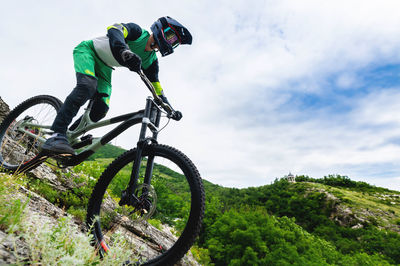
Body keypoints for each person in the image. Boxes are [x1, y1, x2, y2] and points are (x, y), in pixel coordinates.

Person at [41, 16, 192, 155]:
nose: (171, 42)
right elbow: (115, 29)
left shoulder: (151, 61)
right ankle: (57, 134)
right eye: (170, 37)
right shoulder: (138, 32)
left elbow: (156, 88)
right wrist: (124, 51)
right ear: (161, 29)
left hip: (105, 68)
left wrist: (169, 108)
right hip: (88, 51)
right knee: (87, 86)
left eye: (174, 42)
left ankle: (69, 137)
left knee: (101, 109)